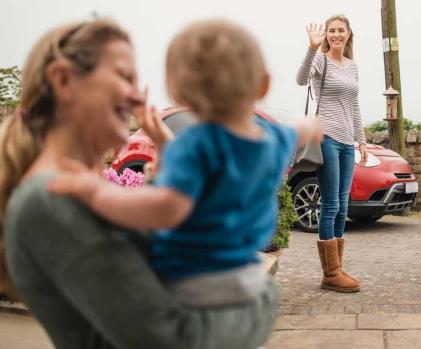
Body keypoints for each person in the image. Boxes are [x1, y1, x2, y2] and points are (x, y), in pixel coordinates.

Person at [0, 18, 280, 349]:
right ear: (63, 80)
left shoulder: (66, 192)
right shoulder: (48, 200)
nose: (137, 97)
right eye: (124, 77)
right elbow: (173, 340)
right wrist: (264, 297)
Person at [49, 18, 322, 308]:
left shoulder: (194, 145)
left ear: (175, 90)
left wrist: (95, 192)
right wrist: (310, 125)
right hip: (245, 278)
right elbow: (298, 132)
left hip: (192, 280)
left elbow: (165, 208)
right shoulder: (274, 139)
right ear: (264, 84)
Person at [296, 14, 366, 293]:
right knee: (331, 205)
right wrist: (312, 48)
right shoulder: (320, 60)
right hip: (326, 138)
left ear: (349, 34)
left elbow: (355, 105)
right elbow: (301, 80)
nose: (336, 34)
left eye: (341, 30)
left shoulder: (352, 66)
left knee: (343, 206)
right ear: (326, 35)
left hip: (348, 142)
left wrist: (361, 140)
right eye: (331, 31)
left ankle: (336, 268)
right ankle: (330, 273)